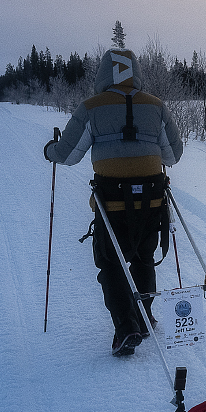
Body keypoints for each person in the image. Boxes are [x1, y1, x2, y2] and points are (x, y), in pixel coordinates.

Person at [45, 48, 185, 356]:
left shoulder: (91, 107)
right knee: (143, 258)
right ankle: (145, 317)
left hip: (112, 206)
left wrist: (50, 151)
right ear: (136, 72)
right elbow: (173, 155)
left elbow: (68, 155)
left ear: (103, 74)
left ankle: (126, 328)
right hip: (152, 204)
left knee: (111, 263)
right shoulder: (156, 106)